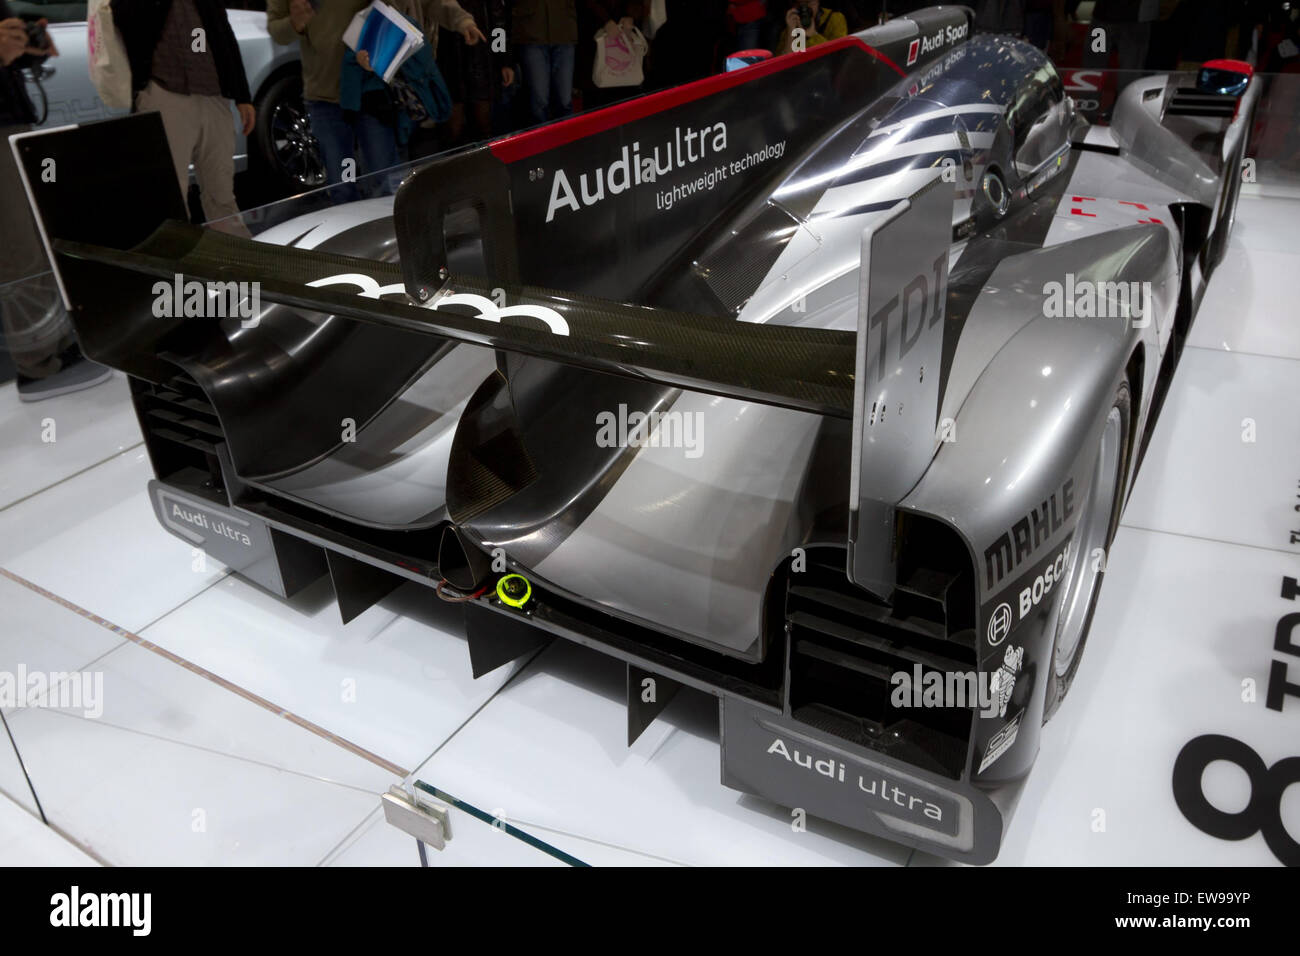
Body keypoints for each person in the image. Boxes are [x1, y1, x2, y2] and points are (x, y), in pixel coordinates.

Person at [0, 7, 112, 401]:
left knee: (35, 241)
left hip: (12, 120)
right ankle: (38, 365)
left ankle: (55, 346)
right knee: (18, 250)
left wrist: (31, 47)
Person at [112, 0, 256, 228]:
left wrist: (242, 95)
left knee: (221, 193)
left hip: (213, 94)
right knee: (170, 197)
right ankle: (177, 259)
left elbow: (222, 29)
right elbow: (124, 18)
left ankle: (232, 257)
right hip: (164, 91)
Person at [268, 0, 398, 198]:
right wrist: (294, 23)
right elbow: (277, 31)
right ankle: (355, 226)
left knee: (384, 179)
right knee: (343, 185)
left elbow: (389, 9)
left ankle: (391, 225)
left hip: (367, 89)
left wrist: (377, 47)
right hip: (324, 95)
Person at [432, 0, 513, 144]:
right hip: (448, 62)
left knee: (483, 124)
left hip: (481, 60)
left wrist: (503, 61)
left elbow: (498, 24)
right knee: (453, 128)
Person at [513, 0, 579, 124]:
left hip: (564, 30)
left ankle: (567, 139)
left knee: (565, 99)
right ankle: (541, 141)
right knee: (539, 100)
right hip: (531, 31)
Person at [775, 0, 846, 54]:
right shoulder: (792, 24)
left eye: (809, 2)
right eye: (800, 4)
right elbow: (782, 66)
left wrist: (813, 35)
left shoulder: (834, 19)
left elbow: (839, 57)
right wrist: (790, 32)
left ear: (818, 2)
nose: (804, 9)